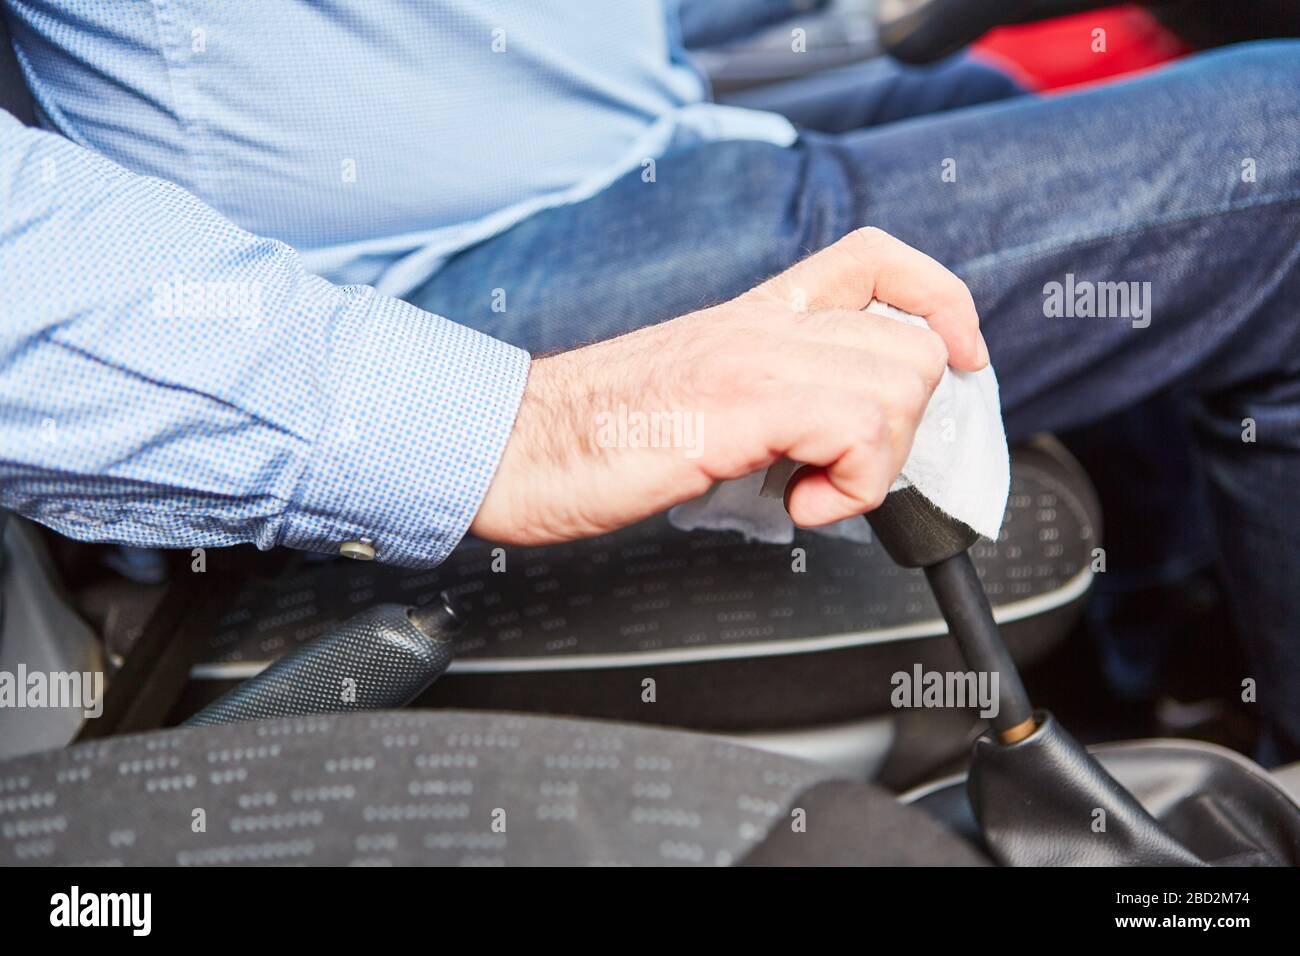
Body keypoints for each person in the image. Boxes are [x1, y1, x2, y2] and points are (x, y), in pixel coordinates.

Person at [1, 2, 1298, 759]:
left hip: (637, 138)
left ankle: (1147, 687)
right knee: (1279, 154)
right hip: (395, 283)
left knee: (1021, 86)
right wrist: (522, 424)